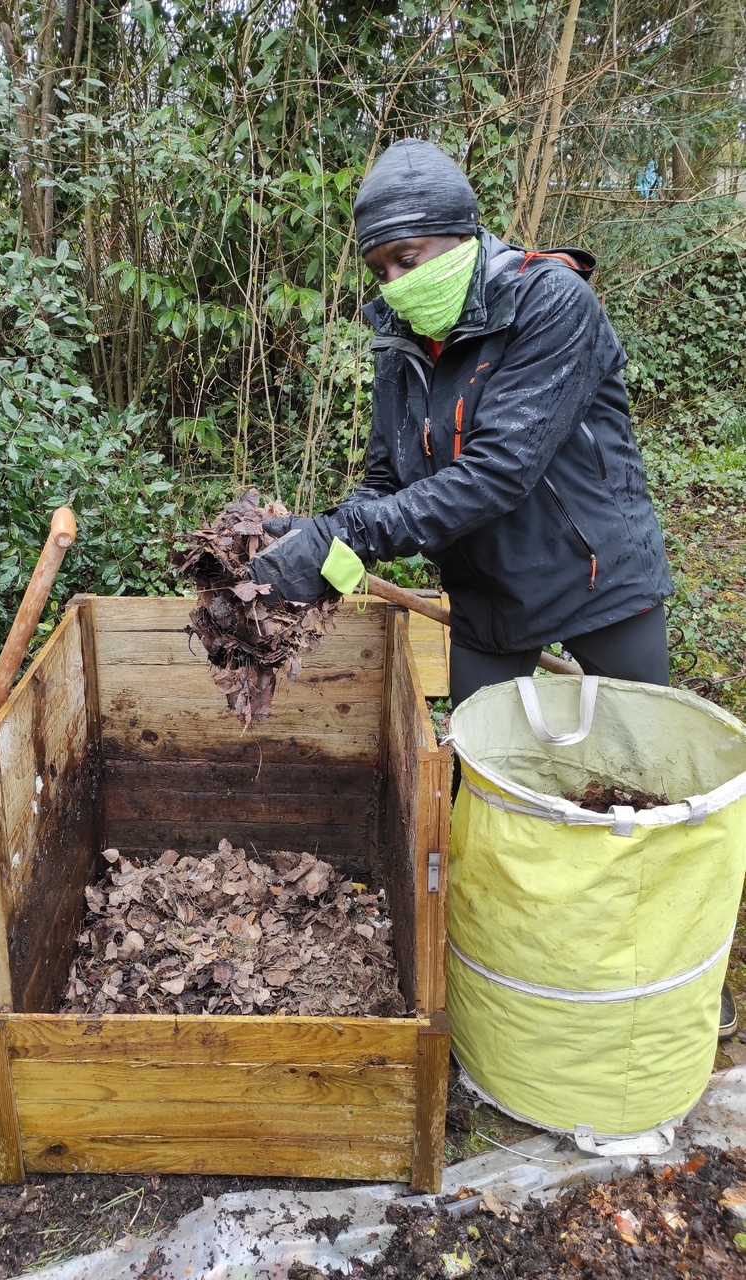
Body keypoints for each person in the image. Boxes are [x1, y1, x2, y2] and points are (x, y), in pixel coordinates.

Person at [249, 137, 737, 1040]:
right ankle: (511, 955)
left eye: (409, 257)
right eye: (379, 267)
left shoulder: (551, 303)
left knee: (648, 777)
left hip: (596, 576)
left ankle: (679, 975)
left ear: (461, 235)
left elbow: (498, 472)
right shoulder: (400, 342)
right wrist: (318, 544)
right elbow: (387, 479)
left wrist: (345, 537)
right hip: (486, 590)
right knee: (482, 781)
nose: (396, 281)